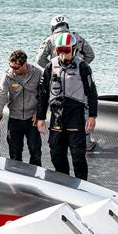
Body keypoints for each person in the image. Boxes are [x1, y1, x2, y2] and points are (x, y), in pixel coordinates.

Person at [36, 33, 98, 180]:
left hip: (75, 115)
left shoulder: (83, 66)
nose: (63, 54)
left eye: (66, 50)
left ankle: (82, 185)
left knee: (78, 156)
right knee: (56, 154)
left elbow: (92, 93)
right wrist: (40, 117)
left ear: (74, 49)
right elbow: (43, 94)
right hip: (57, 116)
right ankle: (64, 182)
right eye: (59, 50)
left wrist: (92, 116)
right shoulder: (50, 66)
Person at [35, 15, 97, 150]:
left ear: (53, 27)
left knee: (57, 111)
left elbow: (39, 59)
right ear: (66, 25)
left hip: (57, 83)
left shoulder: (49, 39)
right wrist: (80, 68)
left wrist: (52, 69)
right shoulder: (77, 37)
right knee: (83, 110)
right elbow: (91, 55)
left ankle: (60, 142)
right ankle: (86, 143)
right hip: (77, 81)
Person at [0, 50, 43, 166]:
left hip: (32, 120)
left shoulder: (38, 73)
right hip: (15, 119)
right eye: (11, 67)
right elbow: (1, 98)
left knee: (35, 152)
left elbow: (44, 95)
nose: (13, 71)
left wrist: (38, 113)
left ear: (24, 64)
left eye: (16, 68)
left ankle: (36, 181)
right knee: (14, 154)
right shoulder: (8, 76)